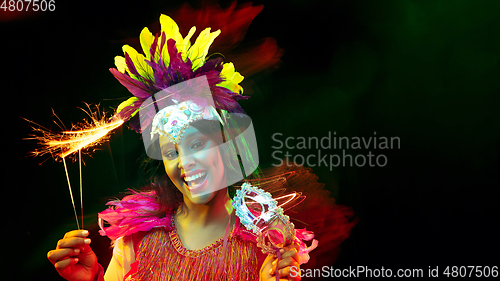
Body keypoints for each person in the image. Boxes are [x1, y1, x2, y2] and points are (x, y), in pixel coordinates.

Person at [47, 5, 356, 280]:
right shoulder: (135, 241)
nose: (185, 162)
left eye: (197, 145)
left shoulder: (268, 246)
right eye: (171, 152)